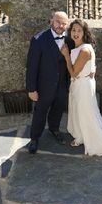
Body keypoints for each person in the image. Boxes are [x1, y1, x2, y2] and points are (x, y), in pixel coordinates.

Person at [61, 19, 102, 156]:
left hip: (82, 85)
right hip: (80, 84)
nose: (75, 33)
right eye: (73, 30)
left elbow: (74, 73)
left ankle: (95, 141)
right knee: (80, 111)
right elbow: (89, 64)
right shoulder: (81, 47)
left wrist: (65, 56)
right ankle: (81, 135)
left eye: (79, 30)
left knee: (85, 113)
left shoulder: (84, 50)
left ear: (84, 33)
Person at [25, 11, 71, 154]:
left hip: (62, 85)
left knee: (58, 109)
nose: (60, 25)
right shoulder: (38, 40)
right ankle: (34, 138)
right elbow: (31, 67)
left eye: (64, 23)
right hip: (43, 86)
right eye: (58, 22)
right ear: (51, 20)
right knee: (40, 112)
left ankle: (54, 129)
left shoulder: (69, 39)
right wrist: (31, 89)